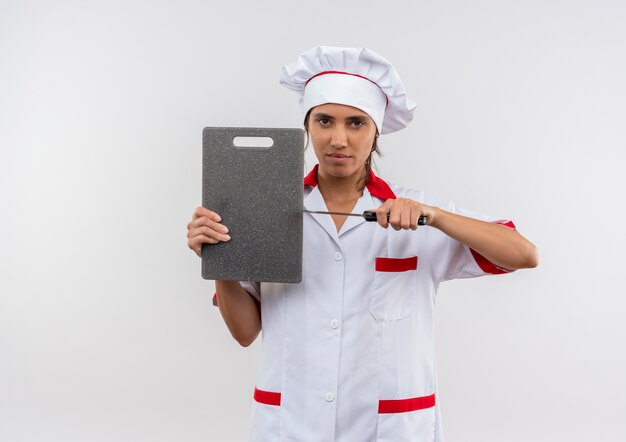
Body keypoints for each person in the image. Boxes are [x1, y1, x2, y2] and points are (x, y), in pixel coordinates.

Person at [187, 46, 538, 442]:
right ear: (307, 127)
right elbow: (245, 332)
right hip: (291, 423)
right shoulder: (265, 214)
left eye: (356, 123)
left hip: (389, 427)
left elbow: (524, 254)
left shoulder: (417, 215)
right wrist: (219, 260)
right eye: (324, 121)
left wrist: (434, 216)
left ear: (376, 131)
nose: (339, 139)